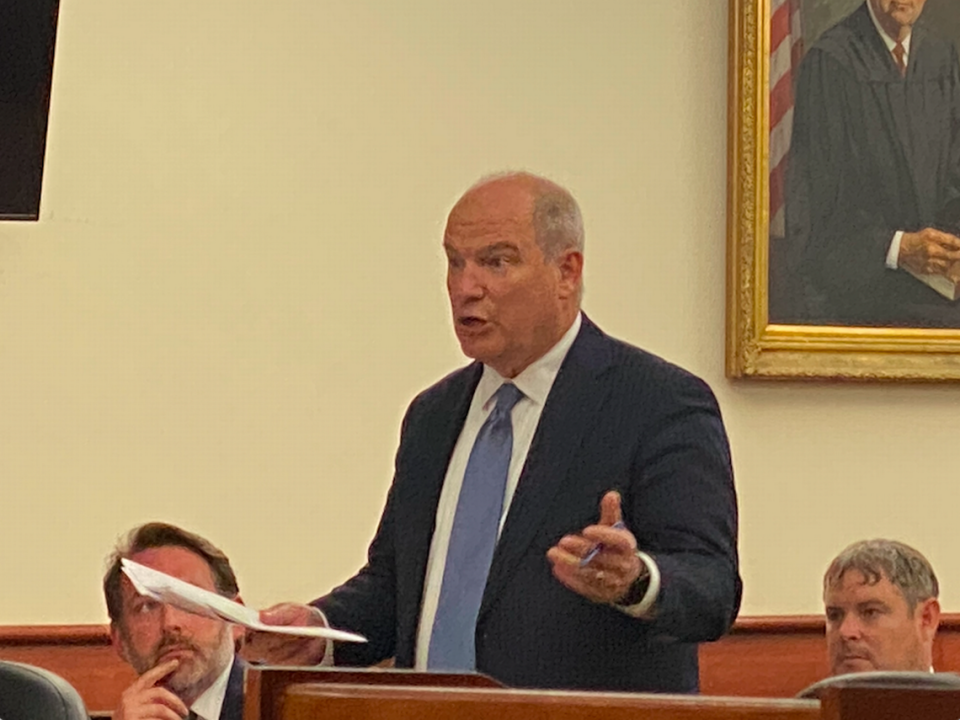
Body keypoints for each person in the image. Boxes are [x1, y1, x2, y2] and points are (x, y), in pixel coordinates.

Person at [244, 172, 742, 693]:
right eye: (455, 262)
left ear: (566, 272)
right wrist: (319, 632)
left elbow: (711, 588)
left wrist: (635, 580)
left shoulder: (657, 402)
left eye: (495, 262)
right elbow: (399, 588)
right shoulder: (434, 416)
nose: (465, 287)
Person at [777, 0, 960, 327]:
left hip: (941, 289)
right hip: (864, 295)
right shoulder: (831, 64)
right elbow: (817, 211)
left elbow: (954, 177)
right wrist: (899, 249)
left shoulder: (941, 58)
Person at [103, 523, 245, 720]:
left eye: (188, 600)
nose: (170, 623)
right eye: (146, 606)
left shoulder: (283, 703)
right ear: (119, 640)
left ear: (235, 619)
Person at [823, 539, 940, 676]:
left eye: (870, 612)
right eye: (834, 615)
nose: (846, 631)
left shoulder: (951, 698)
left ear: (926, 618)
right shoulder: (809, 696)